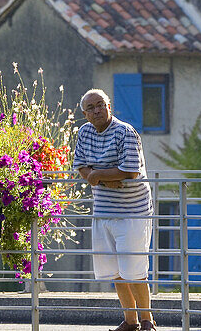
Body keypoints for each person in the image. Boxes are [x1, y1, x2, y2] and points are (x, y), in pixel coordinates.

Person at [73, 88, 157, 331]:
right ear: (84, 113)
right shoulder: (84, 132)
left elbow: (129, 170)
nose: (97, 110)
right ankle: (131, 321)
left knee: (135, 270)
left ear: (109, 106)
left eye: (101, 104)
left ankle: (147, 321)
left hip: (133, 212)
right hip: (103, 210)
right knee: (115, 272)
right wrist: (102, 178)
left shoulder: (125, 132)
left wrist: (97, 174)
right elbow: (81, 166)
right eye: (91, 107)